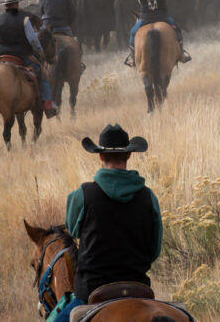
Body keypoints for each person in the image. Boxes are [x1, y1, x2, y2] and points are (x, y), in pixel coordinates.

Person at [65, 123, 162, 310]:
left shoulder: (82, 194)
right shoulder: (148, 197)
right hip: (138, 287)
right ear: (129, 155)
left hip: (91, 291)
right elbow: (154, 250)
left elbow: (72, 230)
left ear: (100, 156)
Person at [0, 0, 57, 118]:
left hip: (1, 56)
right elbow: (32, 40)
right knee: (42, 74)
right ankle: (48, 106)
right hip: (20, 56)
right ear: (17, 4)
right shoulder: (24, 19)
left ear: (5, 6)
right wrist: (40, 51)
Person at [124, 0, 191, 67]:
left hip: (145, 19)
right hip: (162, 17)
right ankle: (182, 53)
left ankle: (132, 58)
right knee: (177, 29)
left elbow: (141, 3)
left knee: (132, 33)